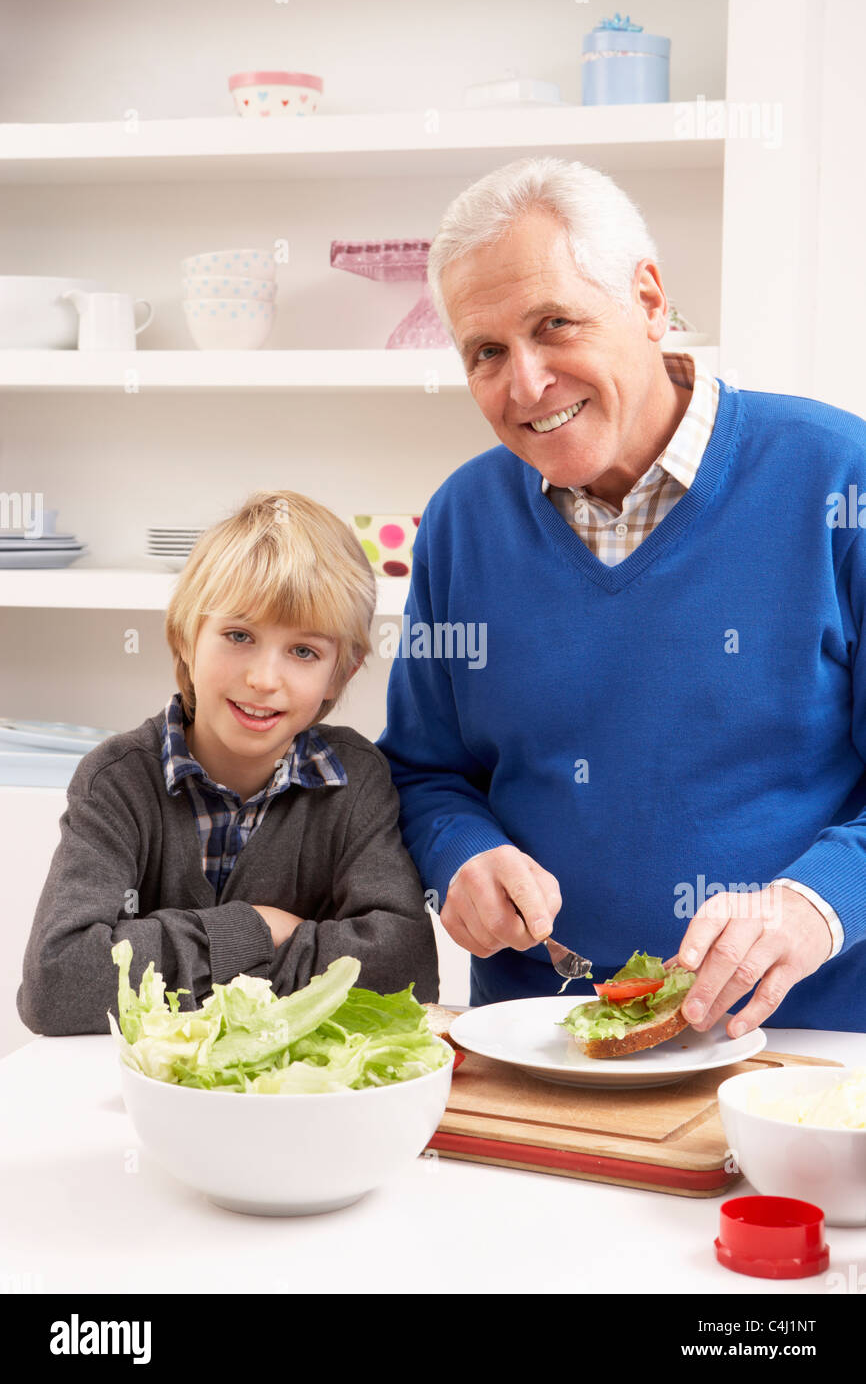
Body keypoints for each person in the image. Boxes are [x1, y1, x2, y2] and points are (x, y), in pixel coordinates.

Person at [377, 155, 866, 1035]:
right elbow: (423, 770)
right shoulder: (461, 518)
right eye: (487, 352)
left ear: (648, 301)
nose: (526, 384)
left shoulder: (838, 477)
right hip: (539, 1039)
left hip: (802, 1050)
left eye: (555, 324)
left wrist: (809, 906)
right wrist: (462, 854)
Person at [17, 490, 438, 1036]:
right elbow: (57, 985)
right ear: (186, 639)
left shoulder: (356, 778)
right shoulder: (115, 781)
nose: (264, 679)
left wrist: (154, 956)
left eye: (304, 651)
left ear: (343, 672)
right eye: (238, 636)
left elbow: (405, 975)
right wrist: (258, 930)